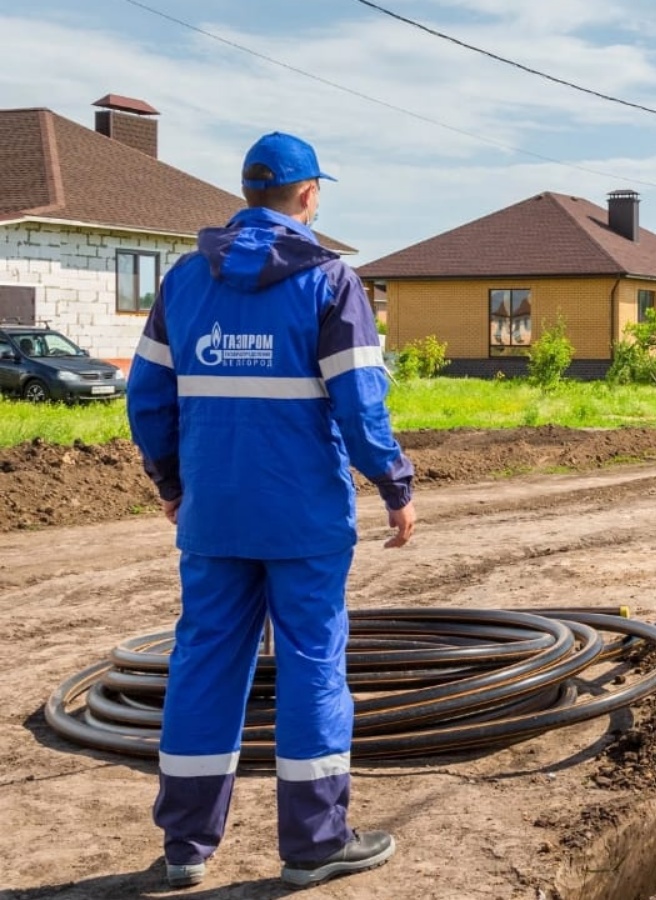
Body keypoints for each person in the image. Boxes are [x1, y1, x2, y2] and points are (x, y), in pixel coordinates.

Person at [126, 132, 415, 890]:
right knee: (312, 666)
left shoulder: (186, 280)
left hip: (215, 514)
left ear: (249, 193)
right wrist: (394, 484)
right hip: (304, 519)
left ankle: (185, 848)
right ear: (309, 195)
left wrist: (170, 482)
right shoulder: (330, 283)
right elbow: (360, 404)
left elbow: (147, 398)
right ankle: (314, 844)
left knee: (204, 664)